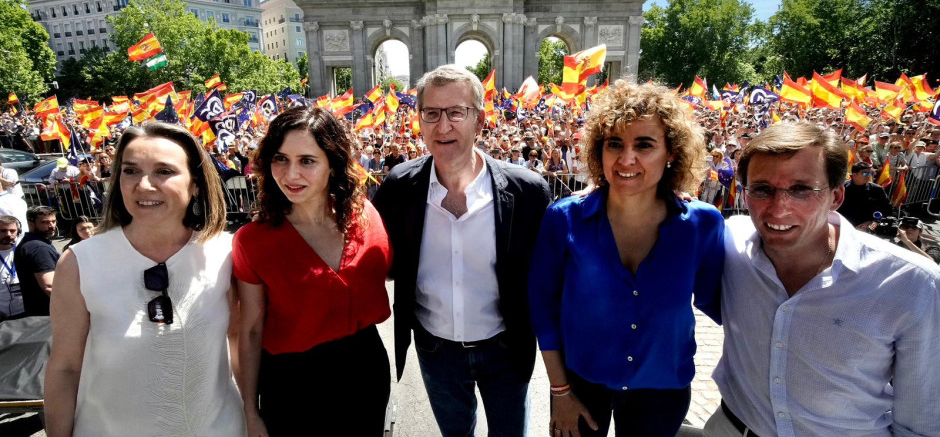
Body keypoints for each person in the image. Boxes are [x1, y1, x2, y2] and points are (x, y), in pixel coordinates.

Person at [706, 122, 940, 437]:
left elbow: (922, 421)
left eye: (801, 190)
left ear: (836, 196)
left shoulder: (913, 284)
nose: (779, 208)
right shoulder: (730, 242)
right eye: (762, 189)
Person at [529, 82, 724, 437]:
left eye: (644, 144)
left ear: (671, 154)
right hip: (580, 387)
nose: (626, 158)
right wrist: (560, 392)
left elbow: (728, 304)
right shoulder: (563, 218)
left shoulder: (702, 224)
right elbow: (543, 310)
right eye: (614, 144)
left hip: (663, 393)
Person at [373, 64, 552, 437]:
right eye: (432, 114)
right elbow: (380, 259)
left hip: (506, 348)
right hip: (436, 352)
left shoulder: (528, 191)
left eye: (456, 112)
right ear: (419, 121)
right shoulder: (399, 186)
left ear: (480, 121)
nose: (443, 126)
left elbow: (551, 274)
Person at [44, 122, 245, 437]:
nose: (144, 185)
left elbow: (239, 345)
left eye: (164, 171)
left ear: (196, 183)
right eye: (131, 171)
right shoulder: (80, 263)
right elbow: (65, 367)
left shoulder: (229, 253)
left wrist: (255, 416)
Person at [234, 106, 392, 437]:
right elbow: (249, 330)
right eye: (281, 159)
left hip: (365, 370)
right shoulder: (252, 241)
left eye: (307, 160)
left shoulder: (365, 215)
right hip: (293, 385)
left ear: (333, 164)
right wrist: (249, 410)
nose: (291, 175)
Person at [12, 205, 58, 317]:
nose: (51, 226)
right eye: (45, 222)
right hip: (47, 314)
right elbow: (49, 286)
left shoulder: (31, 244)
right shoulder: (38, 249)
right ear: (31, 224)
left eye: (53, 221)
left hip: (38, 313)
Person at [838, 162, 892, 228]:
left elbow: (887, 209)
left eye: (870, 173)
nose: (868, 176)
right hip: (842, 227)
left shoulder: (876, 190)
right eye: (865, 173)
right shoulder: (842, 188)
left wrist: (874, 221)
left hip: (866, 228)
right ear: (854, 175)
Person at [0, 215, 23, 321]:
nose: (8, 234)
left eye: (12, 231)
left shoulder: (24, 250)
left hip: (26, 313)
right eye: (3, 231)